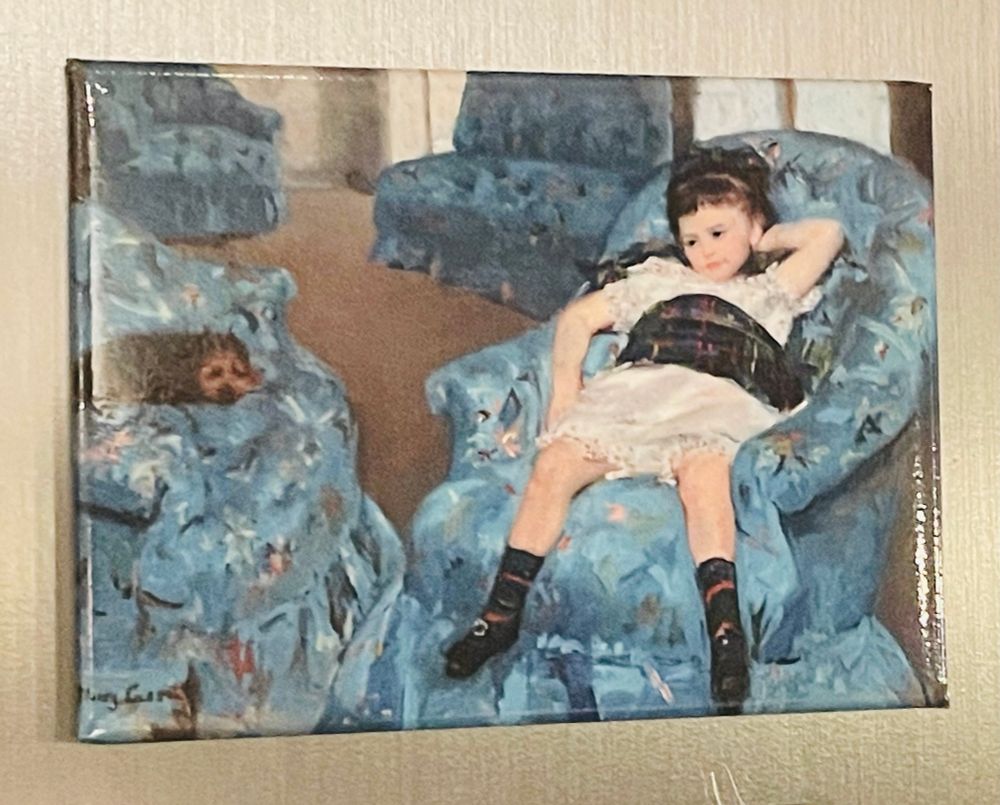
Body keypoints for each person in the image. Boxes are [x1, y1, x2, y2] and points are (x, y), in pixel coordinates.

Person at [444, 144, 844, 713]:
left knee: (705, 478)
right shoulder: (658, 280)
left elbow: (826, 233)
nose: (704, 251)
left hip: (713, 400)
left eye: (719, 232)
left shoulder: (768, 293)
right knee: (553, 465)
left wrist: (762, 238)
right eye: (692, 239)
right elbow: (579, 319)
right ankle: (499, 615)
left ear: (753, 226)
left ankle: (726, 637)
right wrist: (565, 388)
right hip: (637, 397)